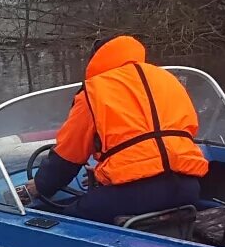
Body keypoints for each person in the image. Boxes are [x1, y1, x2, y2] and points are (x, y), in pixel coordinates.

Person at [28, 35, 209, 224]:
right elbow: (174, 138)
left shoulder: (94, 91)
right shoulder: (167, 79)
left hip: (135, 193)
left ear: (95, 59)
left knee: (67, 221)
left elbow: (68, 157)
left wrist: (41, 186)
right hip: (187, 187)